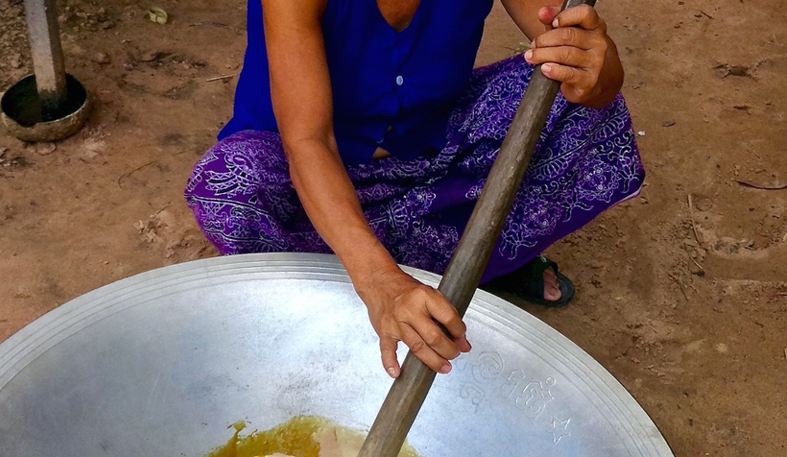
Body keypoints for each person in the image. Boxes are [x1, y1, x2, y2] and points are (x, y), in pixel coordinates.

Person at [185, 1, 643, 378]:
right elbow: (309, 142)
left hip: (429, 153)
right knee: (229, 188)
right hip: (307, 171)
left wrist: (596, 65)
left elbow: (587, 68)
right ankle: (387, 282)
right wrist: (378, 279)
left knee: (564, 97)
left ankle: (483, 260)